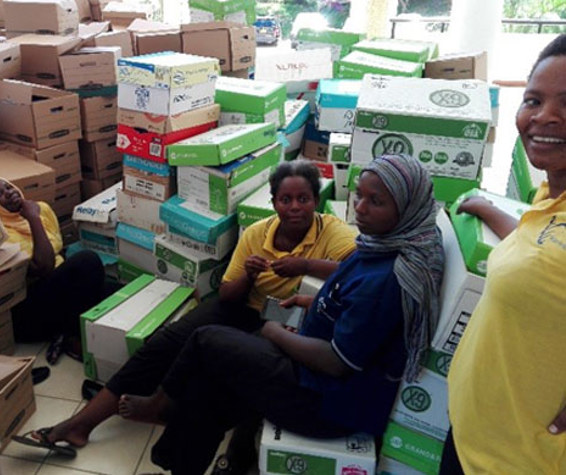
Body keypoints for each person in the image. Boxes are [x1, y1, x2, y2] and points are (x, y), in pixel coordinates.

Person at [116, 154, 445, 475]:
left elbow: (337, 362)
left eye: (376, 201)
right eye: (360, 195)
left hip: (326, 402)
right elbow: (348, 300)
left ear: (407, 209)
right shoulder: (379, 246)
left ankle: (163, 405)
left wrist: (273, 332)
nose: (359, 207)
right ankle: (177, 460)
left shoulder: (388, 276)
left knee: (207, 340)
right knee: (209, 385)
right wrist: (311, 304)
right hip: (313, 373)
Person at [17, 160, 358, 468]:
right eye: (286, 200)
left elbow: (359, 271)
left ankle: (169, 411)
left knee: (216, 375)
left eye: (304, 199)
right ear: (273, 203)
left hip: (288, 322)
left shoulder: (332, 231)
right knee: (165, 343)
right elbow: (227, 293)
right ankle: (81, 424)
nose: (295, 207)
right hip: (245, 307)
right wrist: (249, 275)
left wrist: (306, 265)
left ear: (316, 201)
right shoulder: (257, 233)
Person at [444, 34, 566, 474]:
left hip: (520, 459)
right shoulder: (552, 192)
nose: (545, 117)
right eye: (533, 100)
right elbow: (542, 253)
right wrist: (490, 211)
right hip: (471, 429)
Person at [0, 177, 110, 363]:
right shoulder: (1, 236)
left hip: (54, 291)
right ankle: (72, 335)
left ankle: (73, 329)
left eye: (8, 187)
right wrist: (33, 218)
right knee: (87, 260)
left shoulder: (42, 209)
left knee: (112, 289)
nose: (8, 192)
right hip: (28, 309)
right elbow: (43, 267)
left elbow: (57, 247)